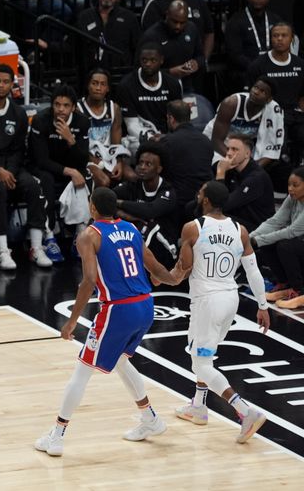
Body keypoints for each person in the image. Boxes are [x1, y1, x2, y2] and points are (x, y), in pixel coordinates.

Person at [35, 187, 177, 457]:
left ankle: (57, 435)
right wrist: (177, 276)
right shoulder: (133, 230)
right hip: (146, 306)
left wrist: (71, 321)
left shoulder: (89, 235)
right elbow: (157, 269)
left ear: (92, 208)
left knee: (82, 371)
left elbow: (88, 280)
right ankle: (151, 419)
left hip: (118, 310)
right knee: (121, 361)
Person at [171, 181, 270, 443]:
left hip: (208, 302)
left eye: (200, 192)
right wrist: (262, 305)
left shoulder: (193, 227)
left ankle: (245, 411)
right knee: (206, 356)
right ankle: (198, 406)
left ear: (204, 200)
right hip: (230, 299)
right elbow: (253, 270)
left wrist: (165, 276)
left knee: (200, 364)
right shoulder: (241, 230)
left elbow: (185, 267)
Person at [0, 63, 52, 268]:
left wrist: (10, 172)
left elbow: (18, 150)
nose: (0, 85)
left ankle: (36, 247)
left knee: (33, 186)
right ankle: (2, 250)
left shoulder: (18, 114)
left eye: (5, 82)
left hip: (12, 166)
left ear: (11, 85)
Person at [27, 85, 91, 261]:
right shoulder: (41, 121)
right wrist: (70, 171)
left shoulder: (82, 122)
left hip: (68, 166)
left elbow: (83, 160)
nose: (61, 109)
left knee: (86, 177)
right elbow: (40, 160)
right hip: (41, 167)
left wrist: (71, 140)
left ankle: (80, 236)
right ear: (51, 105)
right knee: (45, 180)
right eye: (57, 104)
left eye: (66, 105)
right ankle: (49, 238)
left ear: (73, 107)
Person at [246, 22, 304, 165]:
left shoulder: (300, 64)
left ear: (292, 39)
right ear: (270, 39)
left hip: (295, 114)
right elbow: (251, 96)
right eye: (275, 36)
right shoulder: (258, 65)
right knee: (279, 153)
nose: (279, 39)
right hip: (270, 114)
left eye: (284, 35)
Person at [114, 142, 178, 267]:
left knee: (146, 226)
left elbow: (150, 210)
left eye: (148, 164)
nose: (142, 167)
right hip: (139, 244)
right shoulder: (133, 185)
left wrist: (120, 203)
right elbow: (104, 198)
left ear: (159, 169)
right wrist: (124, 215)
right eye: (140, 163)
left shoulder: (167, 191)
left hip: (164, 249)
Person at [250, 167, 304, 309]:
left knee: (285, 245)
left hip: (297, 243)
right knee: (268, 244)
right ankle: (284, 285)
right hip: (299, 245)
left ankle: (298, 290)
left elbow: (291, 232)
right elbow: (275, 222)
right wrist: (251, 237)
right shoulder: (292, 198)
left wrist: (257, 241)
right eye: (289, 185)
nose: (290, 189)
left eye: (295, 185)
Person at [117, 43, 183, 155]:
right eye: (144, 60)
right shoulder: (126, 85)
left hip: (167, 136)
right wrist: (151, 138)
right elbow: (131, 124)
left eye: (153, 60)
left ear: (161, 60)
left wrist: (167, 138)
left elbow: (179, 119)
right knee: (137, 147)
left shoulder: (173, 83)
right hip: (140, 136)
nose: (148, 64)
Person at [159, 100, 212, 222]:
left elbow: (161, 171)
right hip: (202, 204)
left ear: (171, 118)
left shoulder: (168, 142)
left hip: (176, 204)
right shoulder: (206, 141)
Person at [77, 68, 130, 186]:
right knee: (104, 181)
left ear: (108, 88)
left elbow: (116, 143)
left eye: (102, 84)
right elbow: (78, 145)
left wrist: (119, 162)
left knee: (132, 177)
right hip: (88, 157)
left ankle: (124, 204)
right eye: (94, 83)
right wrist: (99, 163)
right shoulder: (78, 109)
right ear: (88, 86)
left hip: (108, 156)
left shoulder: (114, 108)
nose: (98, 87)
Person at [75, 0, 141, 71]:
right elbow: (77, 47)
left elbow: (137, 47)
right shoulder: (84, 17)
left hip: (120, 73)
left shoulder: (129, 17)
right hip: (91, 74)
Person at [214, 133, 274, 232]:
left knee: (214, 217)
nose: (228, 153)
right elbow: (207, 192)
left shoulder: (256, 178)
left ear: (247, 154)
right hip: (236, 217)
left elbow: (223, 205)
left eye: (234, 149)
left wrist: (220, 174)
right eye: (228, 149)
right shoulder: (229, 169)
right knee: (193, 207)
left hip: (256, 227)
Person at [139, 0, 204, 92]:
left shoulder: (192, 29)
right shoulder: (151, 36)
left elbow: (200, 56)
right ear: (167, 15)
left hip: (187, 87)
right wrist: (170, 72)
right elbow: (141, 69)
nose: (178, 26)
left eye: (182, 23)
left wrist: (196, 63)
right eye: (175, 21)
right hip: (159, 88)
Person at [225, 0, 282, 77]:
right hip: (246, 71)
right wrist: (257, 67)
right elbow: (235, 54)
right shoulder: (235, 21)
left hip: (274, 70)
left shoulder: (276, 20)